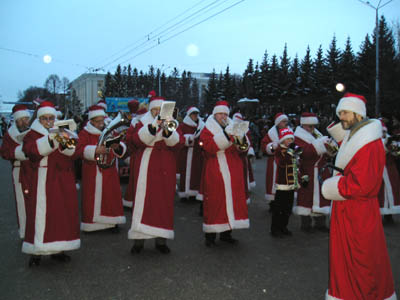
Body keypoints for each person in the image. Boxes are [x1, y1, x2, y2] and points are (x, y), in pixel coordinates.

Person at [321, 93, 396, 300]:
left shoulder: (370, 144)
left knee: (361, 261)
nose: (341, 117)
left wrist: (330, 186)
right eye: (339, 113)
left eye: (344, 112)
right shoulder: (357, 135)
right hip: (350, 210)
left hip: (358, 212)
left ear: (357, 113)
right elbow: (347, 147)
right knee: (349, 260)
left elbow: (363, 184)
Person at [21, 101, 80, 266]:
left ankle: (59, 249)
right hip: (42, 179)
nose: (48, 121)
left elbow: (74, 153)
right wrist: (51, 139)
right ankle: (37, 252)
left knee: (61, 215)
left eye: (51, 118)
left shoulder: (63, 131)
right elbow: (31, 151)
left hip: (62, 180)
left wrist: (66, 141)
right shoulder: (32, 134)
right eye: (45, 118)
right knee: (39, 215)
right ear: (39, 119)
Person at [127, 96, 183, 254]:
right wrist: (152, 126)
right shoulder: (141, 122)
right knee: (142, 202)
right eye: (155, 110)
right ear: (150, 110)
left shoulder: (172, 123)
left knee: (163, 203)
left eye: (160, 110)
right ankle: (138, 241)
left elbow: (178, 143)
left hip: (165, 165)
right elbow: (133, 140)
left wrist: (168, 129)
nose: (158, 113)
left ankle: (161, 240)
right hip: (146, 164)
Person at [199, 101, 249, 247]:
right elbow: (208, 148)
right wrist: (226, 136)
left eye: (226, 114)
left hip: (233, 168)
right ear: (215, 114)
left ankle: (227, 233)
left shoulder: (233, 125)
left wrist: (241, 140)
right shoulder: (207, 128)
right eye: (221, 114)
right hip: (216, 167)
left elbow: (243, 149)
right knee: (214, 202)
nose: (224, 117)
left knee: (232, 201)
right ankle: (210, 235)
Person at [75, 105, 126, 232]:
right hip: (92, 170)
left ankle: (112, 222)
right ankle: (92, 224)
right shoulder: (84, 133)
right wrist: (95, 150)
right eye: (97, 121)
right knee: (92, 197)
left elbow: (122, 147)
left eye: (102, 121)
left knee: (111, 196)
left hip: (109, 170)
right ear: (91, 121)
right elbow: (79, 150)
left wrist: (117, 146)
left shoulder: (111, 131)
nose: (100, 124)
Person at [293, 112, 331, 232]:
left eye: (314, 126)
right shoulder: (296, 138)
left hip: (320, 171)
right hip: (306, 171)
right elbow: (303, 153)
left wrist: (330, 148)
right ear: (303, 125)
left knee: (322, 196)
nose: (312, 129)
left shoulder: (317, 135)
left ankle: (320, 223)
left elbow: (326, 153)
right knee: (305, 197)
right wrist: (320, 145)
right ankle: (306, 224)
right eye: (310, 126)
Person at [0, 104, 30, 239]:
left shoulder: (32, 132)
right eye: (21, 119)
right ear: (16, 121)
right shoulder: (9, 136)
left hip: (34, 170)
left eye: (26, 119)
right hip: (19, 170)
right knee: (22, 201)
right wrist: (19, 153)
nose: (24, 122)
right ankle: (25, 230)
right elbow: (5, 153)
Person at [270, 128, 305, 238]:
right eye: (287, 139)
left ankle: (284, 227)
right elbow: (282, 163)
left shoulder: (293, 150)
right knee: (278, 208)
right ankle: (275, 229)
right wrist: (291, 152)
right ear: (283, 140)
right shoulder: (279, 151)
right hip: (282, 184)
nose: (290, 141)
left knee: (287, 209)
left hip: (291, 184)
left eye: (291, 139)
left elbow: (297, 165)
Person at [261, 113, 289, 205]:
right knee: (273, 182)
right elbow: (264, 147)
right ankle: (273, 203)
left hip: (287, 162)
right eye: (284, 121)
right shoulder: (270, 134)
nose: (286, 123)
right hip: (274, 162)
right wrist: (273, 147)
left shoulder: (290, 132)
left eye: (286, 121)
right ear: (278, 123)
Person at [177, 106, 204, 202]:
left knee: (196, 174)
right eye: (193, 114)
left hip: (197, 154)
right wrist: (187, 139)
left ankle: (193, 193)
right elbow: (179, 137)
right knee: (185, 174)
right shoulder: (183, 125)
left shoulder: (201, 126)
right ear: (189, 115)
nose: (195, 116)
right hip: (186, 153)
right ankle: (184, 193)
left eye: (196, 114)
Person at [123, 105, 148, 208]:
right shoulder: (135, 123)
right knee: (136, 179)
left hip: (142, 154)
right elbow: (130, 139)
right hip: (137, 155)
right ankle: (133, 200)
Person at [378, 120, 400, 224]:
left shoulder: (389, 138)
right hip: (379, 171)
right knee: (380, 194)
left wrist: (395, 147)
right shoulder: (375, 141)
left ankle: (389, 216)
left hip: (390, 170)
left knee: (392, 192)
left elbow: (396, 154)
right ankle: (380, 215)